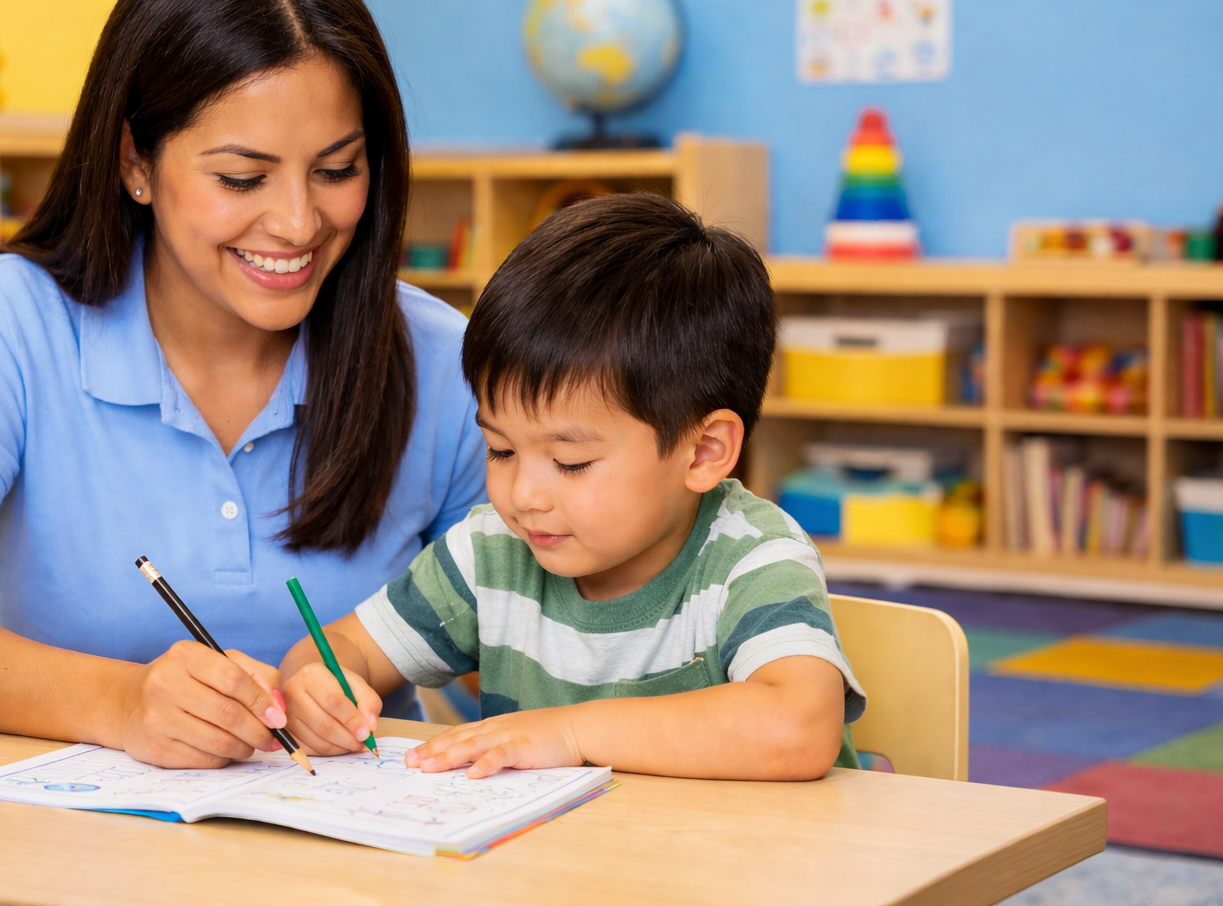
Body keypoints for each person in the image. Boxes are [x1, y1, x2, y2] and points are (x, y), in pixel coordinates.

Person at [0, 0, 485, 769]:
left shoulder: (439, 358)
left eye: (337, 170)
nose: (298, 223)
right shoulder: (6, 320)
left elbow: (547, 627)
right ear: (135, 163)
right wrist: (118, 702)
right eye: (242, 178)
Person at [279, 191, 866, 780]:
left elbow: (798, 727)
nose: (523, 496)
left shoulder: (752, 557)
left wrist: (569, 730)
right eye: (500, 450)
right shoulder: (491, 554)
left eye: (570, 462)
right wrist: (319, 683)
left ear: (704, 451)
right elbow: (342, 646)